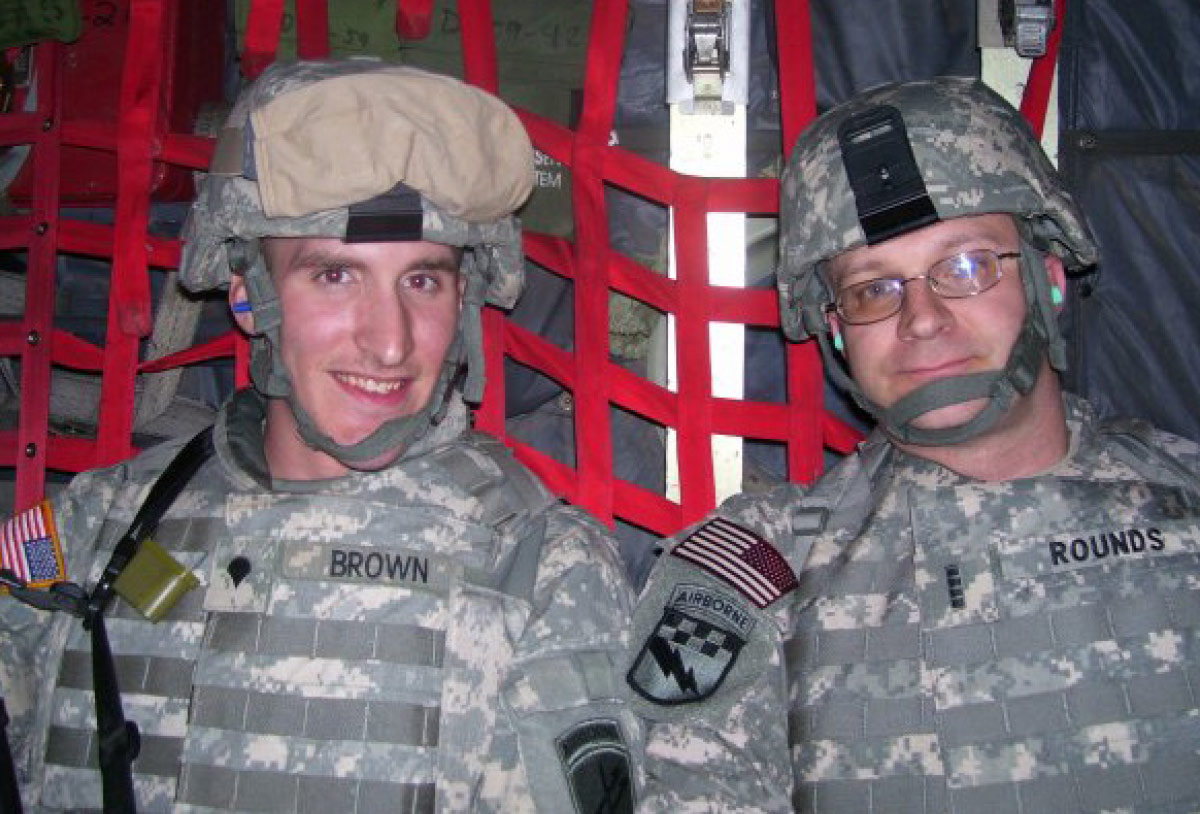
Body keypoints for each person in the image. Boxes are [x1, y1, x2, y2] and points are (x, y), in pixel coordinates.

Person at [0, 60, 639, 812]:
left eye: (422, 280)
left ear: (465, 299)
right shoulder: (89, 526)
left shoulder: (541, 571)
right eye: (335, 277)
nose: (391, 344)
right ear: (248, 294)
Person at [626, 76, 1200, 812]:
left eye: (964, 266)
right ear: (835, 329)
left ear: (1048, 278)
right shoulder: (756, 576)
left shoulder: (1183, 504)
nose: (921, 319)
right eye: (873, 289)